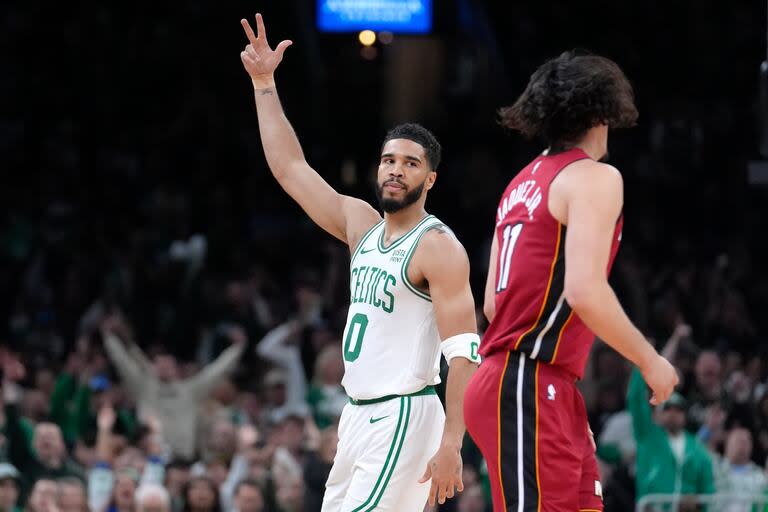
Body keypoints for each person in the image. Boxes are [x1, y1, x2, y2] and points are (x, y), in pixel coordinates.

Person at [238, 13, 481, 510]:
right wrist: (265, 85)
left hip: (404, 414)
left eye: (410, 163)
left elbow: (464, 353)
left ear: (429, 180)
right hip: (357, 416)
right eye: (389, 160)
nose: (395, 170)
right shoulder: (361, 224)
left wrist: (453, 441)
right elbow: (290, 169)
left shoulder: (437, 246)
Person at [464, 50, 679, 511]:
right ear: (605, 109)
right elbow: (583, 290)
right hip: (526, 382)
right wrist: (649, 360)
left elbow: (491, 305)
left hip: (532, 383)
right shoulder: (595, 178)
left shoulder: (520, 182)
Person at [100, 316, 247, 459]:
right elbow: (122, 362)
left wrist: (236, 349)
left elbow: (216, 372)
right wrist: (108, 337)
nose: (164, 368)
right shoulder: (143, 387)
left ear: (176, 368)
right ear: (153, 367)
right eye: (160, 364)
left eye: (168, 364)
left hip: (182, 460)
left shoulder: (191, 390)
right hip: (149, 456)